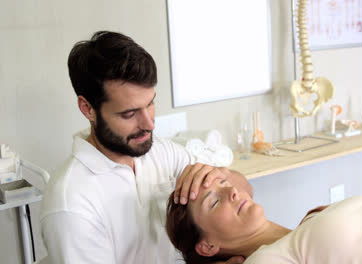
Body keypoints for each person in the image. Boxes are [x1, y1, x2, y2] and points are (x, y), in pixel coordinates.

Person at [40, 31, 252, 264]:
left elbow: (245, 191)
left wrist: (220, 176)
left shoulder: (162, 153)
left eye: (150, 104)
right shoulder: (72, 203)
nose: (149, 124)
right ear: (87, 108)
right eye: (129, 113)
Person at [166, 178, 362, 264]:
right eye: (215, 200)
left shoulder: (309, 222)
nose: (231, 191)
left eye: (223, 183)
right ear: (207, 246)